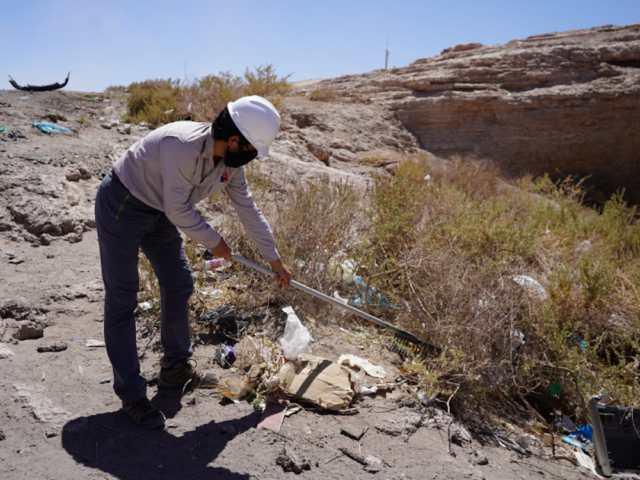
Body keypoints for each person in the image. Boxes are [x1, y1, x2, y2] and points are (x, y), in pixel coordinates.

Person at [95, 96, 292, 429]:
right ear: (234, 141)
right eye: (252, 150)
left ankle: (175, 369)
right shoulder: (182, 146)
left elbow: (248, 209)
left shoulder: (230, 163)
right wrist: (216, 242)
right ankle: (131, 395)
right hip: (123, 202)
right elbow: (179, 211)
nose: (251, 158)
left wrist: (273, 258)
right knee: (123, 298)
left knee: (180, 281)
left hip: (157, 210)